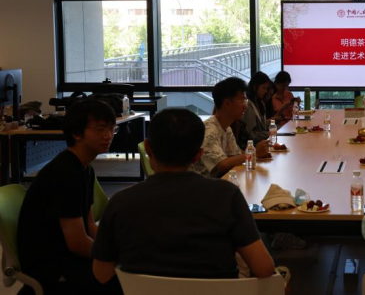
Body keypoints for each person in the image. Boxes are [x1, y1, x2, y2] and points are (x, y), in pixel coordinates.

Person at [92, 108, 276, 284]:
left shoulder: (120, 202)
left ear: (148, 148)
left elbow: (101, 274)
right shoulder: (227, 195)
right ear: (198, 155)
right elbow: (264, 268)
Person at [17, 99, 121, 294]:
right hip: (51, 267)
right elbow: (77, 243)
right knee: (125, 280)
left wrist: (117, 249)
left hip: (66, 257)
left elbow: (89, 226)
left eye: (112, 129)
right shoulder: (65, 173)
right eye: (99, 129)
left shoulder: (84, 169)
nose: (108, 136)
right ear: (76, 133)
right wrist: (114, 257)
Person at [191, 77, 270, 178]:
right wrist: (254, 152)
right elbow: (222, 165)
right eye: (242, 100)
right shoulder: (209, 130)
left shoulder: (226, 128)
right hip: (202, 184)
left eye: (246, 101)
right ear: (227, 103)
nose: (246, 106)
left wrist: (257, 153)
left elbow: (236, 155)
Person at [242, 71, 274, 143]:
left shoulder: (260, 103)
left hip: (262, 141)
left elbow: (262, 125)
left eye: (266, 89)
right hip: (254, 145)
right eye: (263, 88)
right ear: (255, 86)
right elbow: (249, 134)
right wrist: (268, 134)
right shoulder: (248, 105)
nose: (265, 91)